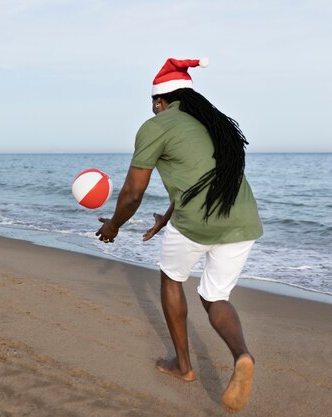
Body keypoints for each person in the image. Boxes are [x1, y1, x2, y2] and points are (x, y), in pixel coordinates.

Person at [96, 58, 263, 414]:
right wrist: (166, 217)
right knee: (216, 296)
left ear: (160, 101)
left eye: (152, 103)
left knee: (172, 278)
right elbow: (200, 176)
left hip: (196, 222)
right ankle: (242, 356)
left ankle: (184, 366)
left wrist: (113, 225)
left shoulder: (156, 125)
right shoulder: (212, 123)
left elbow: (131, 193)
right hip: (243, 220)